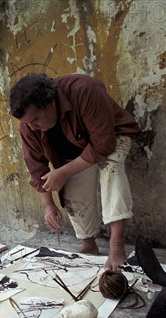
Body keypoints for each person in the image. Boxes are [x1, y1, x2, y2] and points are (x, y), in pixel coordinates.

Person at [9, 73, 141, 271]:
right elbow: (36, 168)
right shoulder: (28, 126)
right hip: (76, 151)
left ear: (51, 102)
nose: (32, 127)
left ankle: (116, 246)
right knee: (72, 188)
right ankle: (89, 244)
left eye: (35, 120)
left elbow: (103, 145)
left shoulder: (86, 90)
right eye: (28, 123)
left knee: (112, 168)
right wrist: (48, 205)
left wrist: (62, 173)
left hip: (112, 137)